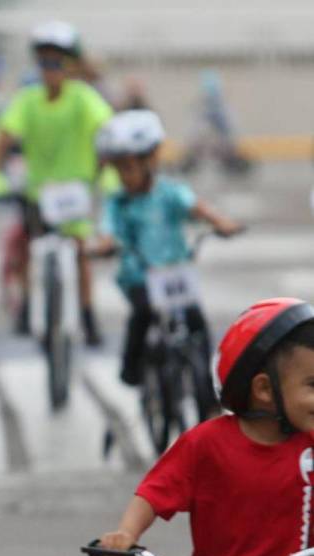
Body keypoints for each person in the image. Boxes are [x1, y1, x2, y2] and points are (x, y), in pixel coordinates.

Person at [98, 297, 314, 556]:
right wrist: (125, 534)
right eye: (313, 385)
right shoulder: (205, 444)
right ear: (264, 390)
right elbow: (154, 492)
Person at [0, 21, 114, 345]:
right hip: (38, 191)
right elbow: (3, 138)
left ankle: (86, 314)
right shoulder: (27, 99)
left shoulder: (84, 98)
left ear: (70, 65)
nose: (50, 70)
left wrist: (109, 173)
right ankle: (27, 306)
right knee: (25, 246)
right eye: (44, 62)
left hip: (75, 191)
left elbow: (107, 132)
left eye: (58, 62)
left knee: (81, 251)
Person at [93, 110, 241, 388]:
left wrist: (221, 222)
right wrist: (105, 244)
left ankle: (207, 394)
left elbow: (196, 206)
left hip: (175, 274)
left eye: (128, 167)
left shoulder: (169, 192)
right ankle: (132, 367)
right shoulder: (117, 203)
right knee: (143, 314)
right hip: (139, 277)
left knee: (198, 324)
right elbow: (107, 230)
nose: (124, 176)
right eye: (118, 169)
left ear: (150, 161)